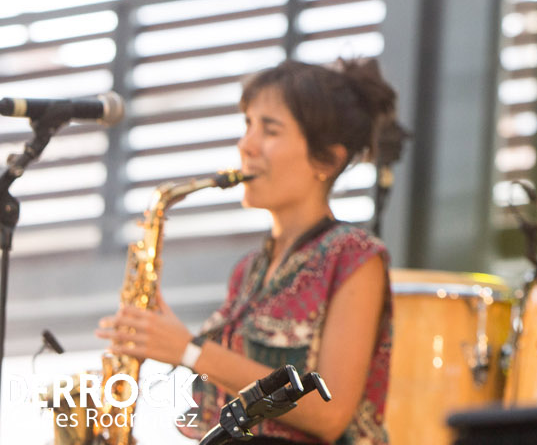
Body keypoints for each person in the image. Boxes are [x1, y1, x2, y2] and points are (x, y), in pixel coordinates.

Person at [97, 57, 400, 445]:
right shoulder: (249, 270)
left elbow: (331, 413)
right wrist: (165, 342)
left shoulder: (354, 255)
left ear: (327, 159)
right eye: (248, 125)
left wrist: (189, 350)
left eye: (269, 130)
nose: (246, 145)